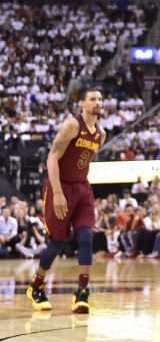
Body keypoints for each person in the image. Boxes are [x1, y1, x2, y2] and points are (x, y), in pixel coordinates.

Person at [25, 88, 105, 314]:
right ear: (82, 104)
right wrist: (58, 192)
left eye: (99, 99)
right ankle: (36, 286)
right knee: (57, 242)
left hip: (82, 189)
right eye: (92, 99)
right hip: (60, 186)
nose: (97, 102)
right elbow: (52, 157)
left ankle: (82, 291)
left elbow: (83, 161)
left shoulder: (101, 134)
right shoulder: (72, 126)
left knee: (86, 237)